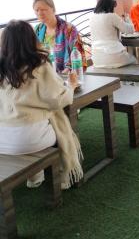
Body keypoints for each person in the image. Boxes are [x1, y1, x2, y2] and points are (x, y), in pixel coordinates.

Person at [0, 20, 83, 189]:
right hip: (32, 139)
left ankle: (35, 176)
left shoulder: (2, 67)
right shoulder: (39, 64)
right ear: (31, 39)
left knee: (44, 122)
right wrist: (71, 87)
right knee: (59, 128)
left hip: (3, 140)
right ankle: (63, 177)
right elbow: (58, 100)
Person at [33, 0, 87, 73]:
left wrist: (66, 72)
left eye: (43, 9)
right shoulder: (37, 30)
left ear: (53, 9)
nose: (40, 13)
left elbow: (78, 56)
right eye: (36, 10)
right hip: (45, 75)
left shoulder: (69, 29)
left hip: (66, 75)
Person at [89, 0, 136, 68]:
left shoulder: (92, 18)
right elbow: (130, 30)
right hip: (112, 56)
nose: (114, 9)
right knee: (134, 60)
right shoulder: (111, 16)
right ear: (110, 6)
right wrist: (128, 19)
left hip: (97, 59)